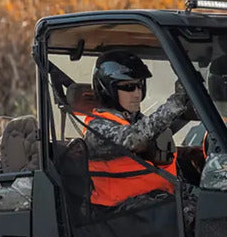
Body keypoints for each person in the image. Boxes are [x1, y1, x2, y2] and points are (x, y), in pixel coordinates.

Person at [82, 50, 195, 208]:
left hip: (157, 208)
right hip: (120, 216)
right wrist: (177, 102)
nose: (137, 94)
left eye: (140, 86)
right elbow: (134, 139)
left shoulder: (137, 122)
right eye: (128, 87)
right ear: (108, 90)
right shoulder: (97, 128)